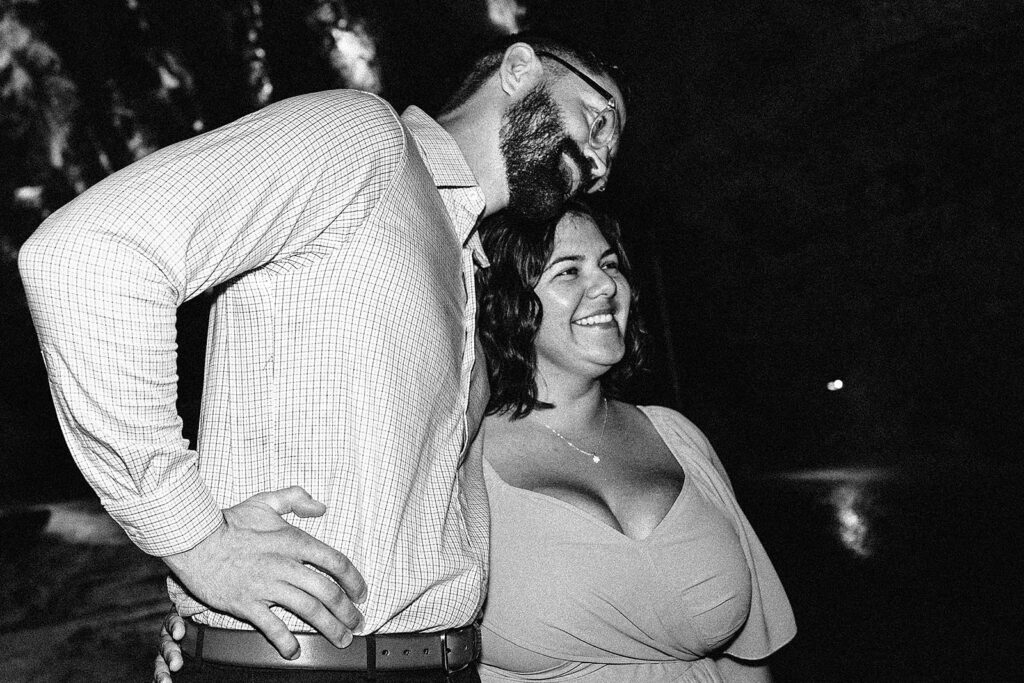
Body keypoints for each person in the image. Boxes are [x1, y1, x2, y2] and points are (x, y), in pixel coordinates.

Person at [19, 33, 627, 681]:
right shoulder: (365, 138)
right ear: (519, 67)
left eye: (611, 154)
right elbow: (89, 256)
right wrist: (195, 541)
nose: (600, 162)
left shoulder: (468, 271)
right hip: (302, 666)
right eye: (598, 119)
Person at [156, 202, 796, 682]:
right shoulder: (453, 459)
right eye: (567, 271)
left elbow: (749, 656)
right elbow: (349, 591)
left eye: (609, 265)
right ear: (510, 305)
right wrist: (205, 618)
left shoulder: (677, 437)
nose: (605, 286)